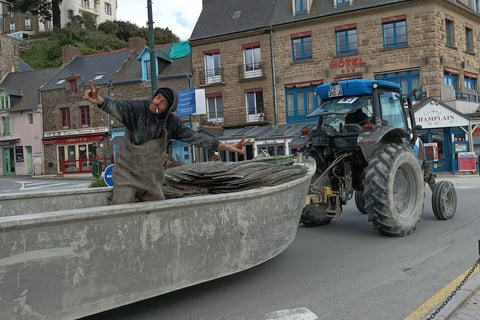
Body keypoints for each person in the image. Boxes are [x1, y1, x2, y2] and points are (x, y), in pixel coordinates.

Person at [83, 80, 249, 204]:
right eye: (158, 97)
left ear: (168, 109)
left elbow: (196, 137)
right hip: (127, 178)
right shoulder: (137, 109)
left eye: (162, 102)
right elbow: (116, 106)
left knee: (159, 211)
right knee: (121, 211)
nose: (157, 101)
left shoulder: (171, 124)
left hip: (151, 181)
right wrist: (99, 100)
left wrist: (225, 146)